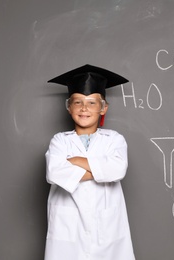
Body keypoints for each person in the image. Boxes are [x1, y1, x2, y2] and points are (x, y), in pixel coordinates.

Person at [44, 64, 135, 260]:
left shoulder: (114, 139)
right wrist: (100, 171)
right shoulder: (59, 141)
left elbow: (118, 169)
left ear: (103, 108)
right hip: (68, 231)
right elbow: (54, 174)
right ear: (69, 107)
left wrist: (77, 161)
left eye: (92, 103)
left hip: (108, 230)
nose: (84, 108)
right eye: (78, 102)